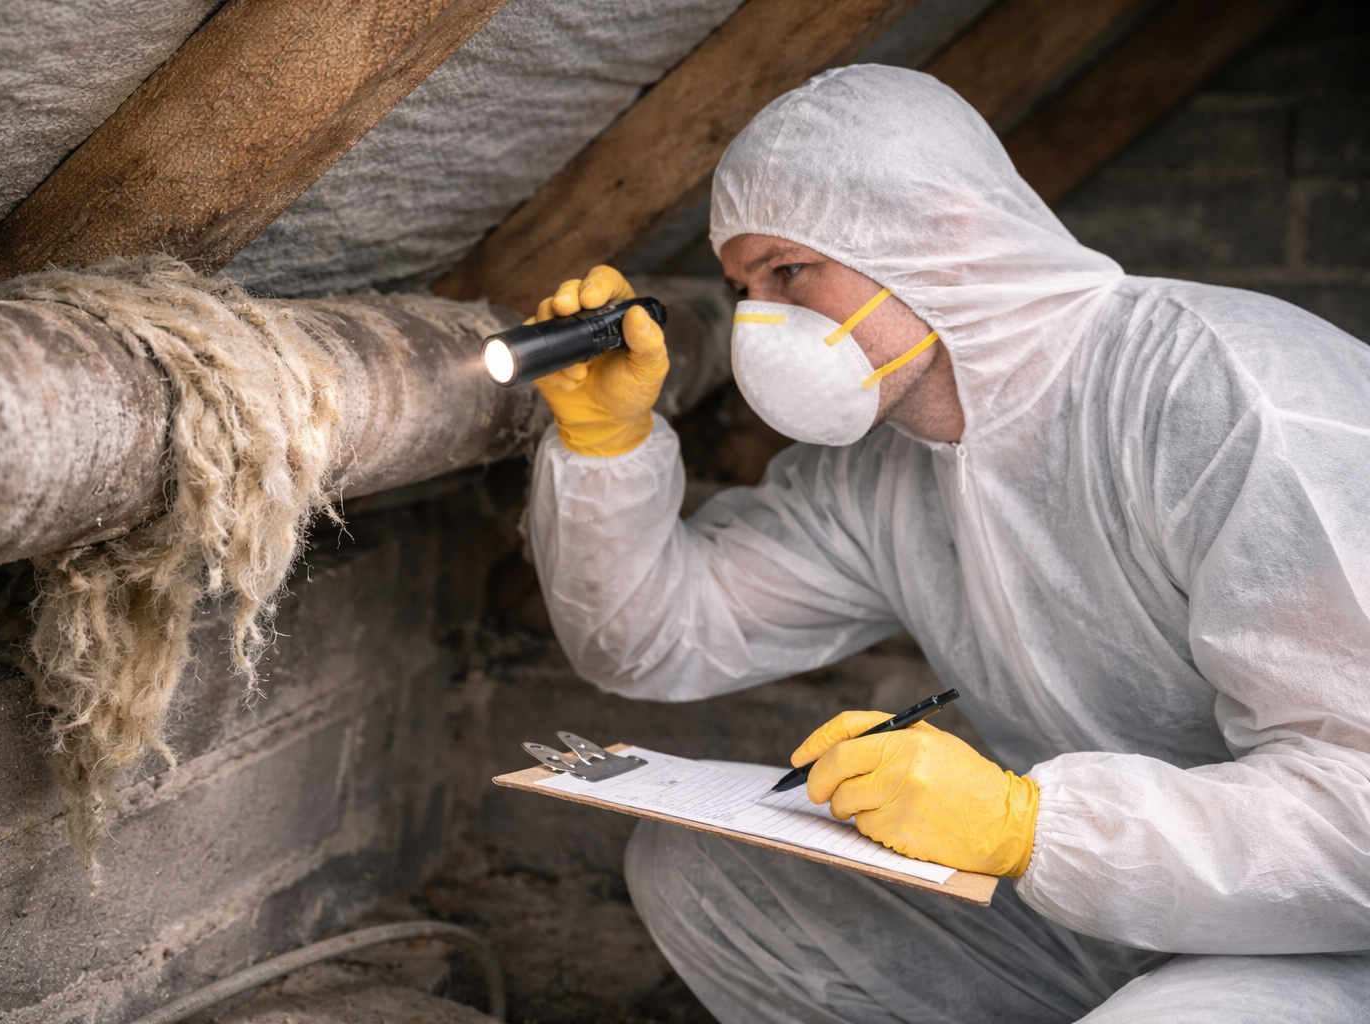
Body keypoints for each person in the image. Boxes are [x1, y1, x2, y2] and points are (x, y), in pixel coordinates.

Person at [522, 65, 1370, 1023]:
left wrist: (1031, 827)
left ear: (943, 232)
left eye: (791, 272)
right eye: (743, 287)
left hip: (1326, 931)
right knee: (707, 873)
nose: (763, 322)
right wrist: (606, 447)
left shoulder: (1218, 400)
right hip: (1098, 903)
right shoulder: (888, 467)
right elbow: (650, 636)